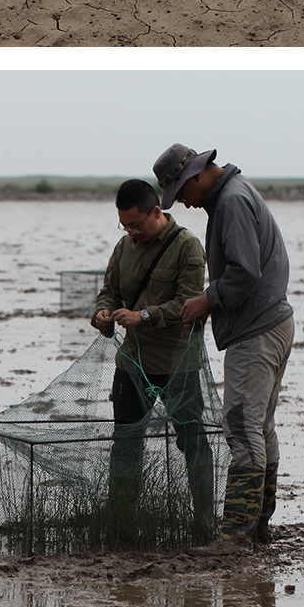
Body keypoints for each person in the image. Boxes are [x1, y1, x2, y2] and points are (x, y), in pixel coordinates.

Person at [154, 143, 295, 550]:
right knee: (260, 427)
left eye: (182, 193)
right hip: (274, 322)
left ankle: (235, 535)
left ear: (197, 177)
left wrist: (207, 299)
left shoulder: (231, 201)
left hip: (257, 331)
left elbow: (244, 273)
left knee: (241, 428)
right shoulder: (236, 192)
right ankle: (257, 527)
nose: (184, 203)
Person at [93, 178, 213, 534]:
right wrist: (102, 315)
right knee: (126, 444)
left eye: (136, 224)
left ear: (157, 212)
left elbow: (188, 303)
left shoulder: (187, 246)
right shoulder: (123, 247)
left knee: (193, 443)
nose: (130, 232)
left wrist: (142, 316)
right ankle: (121, 524)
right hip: (132, 365)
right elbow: (109, 293)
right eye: (124, 224)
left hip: (179, 364)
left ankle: (203, 521)